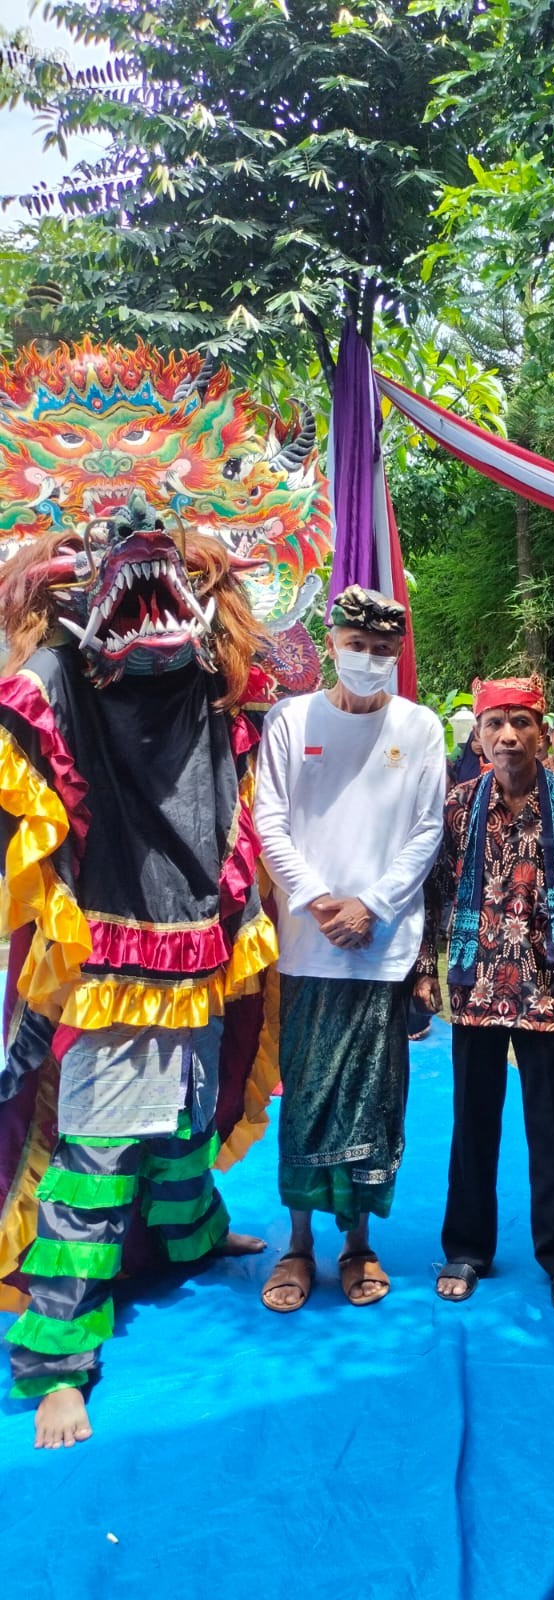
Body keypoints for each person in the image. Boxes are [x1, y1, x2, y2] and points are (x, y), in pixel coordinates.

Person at [0, 496, 278, 1448]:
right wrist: (27, 606)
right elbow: (17, 704)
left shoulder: (212, 680)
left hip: (198, 937)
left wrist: (217, 574)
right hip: (113, 950)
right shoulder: (67, 676)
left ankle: (192, 1235)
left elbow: (268, 670)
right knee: (102, 1147)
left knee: (190, 1112)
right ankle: (59, 1365)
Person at [254, 585, 446, 1312]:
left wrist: (373, 905)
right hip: (307, 943)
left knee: (375, 1100)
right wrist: (317, 900)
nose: (367, 660)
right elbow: (270, 819)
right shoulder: (291, 719)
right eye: (356, 647)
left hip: (382, 946)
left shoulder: (421, 727)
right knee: (304, 1096)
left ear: (397, 654)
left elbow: (427, 829)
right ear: (331, 645)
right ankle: (299, 1245)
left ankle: (358, 1243)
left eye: (381, 650)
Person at [416, 675, 554, 1313]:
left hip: (552, 992)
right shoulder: (457, 806)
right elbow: (434, 893)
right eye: (496, 724)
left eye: (522, 722)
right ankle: (467, 1248)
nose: (508, 736)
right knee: (472, 1123)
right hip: (477, 987)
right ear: (476, 737)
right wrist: (423, 970)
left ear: (544, 734)